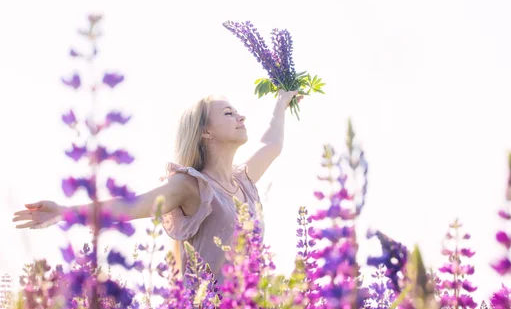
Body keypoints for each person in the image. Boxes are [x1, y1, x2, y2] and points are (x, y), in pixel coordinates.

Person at [12, 90, 303, 283]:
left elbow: (272, 144)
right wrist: (65, 212)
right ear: (205, 132)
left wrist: (281, 102)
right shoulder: (191, 185)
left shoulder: (243, 180)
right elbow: (131, 206)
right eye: (228, 113)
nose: (240, 117)